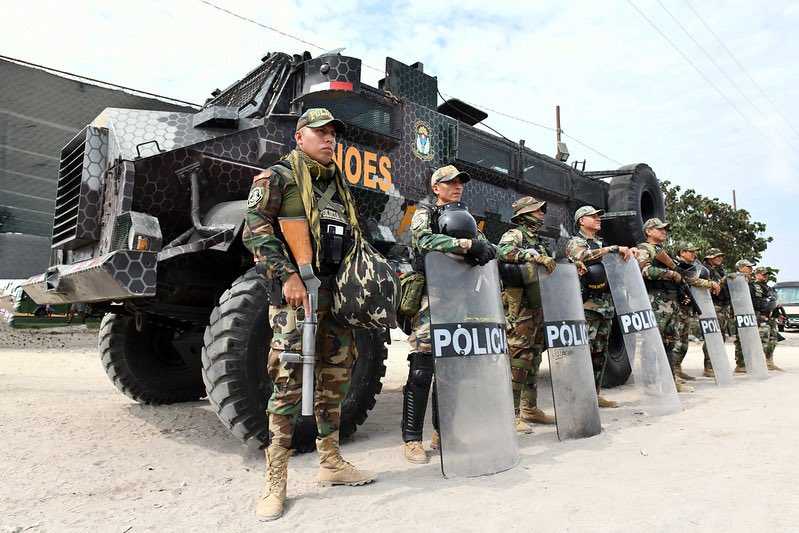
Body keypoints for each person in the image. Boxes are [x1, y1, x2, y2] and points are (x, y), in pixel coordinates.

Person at [243, 108, 374, 521]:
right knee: (288, 381)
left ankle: (330, 462)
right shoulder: (277, 176)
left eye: (333, 133)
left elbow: (352, 236)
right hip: (297, 295)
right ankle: (276, 477)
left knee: (336, 378)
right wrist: (287, 277)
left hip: (336, 296)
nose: (329, 139)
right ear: (299, 137)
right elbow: (256, 229)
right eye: (320, 132)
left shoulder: (339, 184)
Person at [402, 164, 496, 464]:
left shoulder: (466, 216)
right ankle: (412, 440)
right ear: (436, 187)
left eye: (460, 183)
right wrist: (464, 245)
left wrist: (485, 248)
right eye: (450, 183)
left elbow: (485, 246)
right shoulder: (425, 212)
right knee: (422, 369)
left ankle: (445, 434)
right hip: (432, 296)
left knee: (453, 371)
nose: (457, 187)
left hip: (460, 297)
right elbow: (422, 240)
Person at [566, 205, 638, 408]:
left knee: (599, 354)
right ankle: (578, 397)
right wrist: (613, 249)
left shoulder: (599, 243)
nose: (598, 219)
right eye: (593, 216)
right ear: (581, 220)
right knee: (583, 353)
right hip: (587, 306)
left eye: (599, 216)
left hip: (606, 306)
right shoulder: (576, 242)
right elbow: (582, 256)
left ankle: (594, 395)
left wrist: (628, 254)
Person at [497, 196, 558, 432]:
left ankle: (529, 409)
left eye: (543, 209)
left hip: (537, 306)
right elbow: (504, 252)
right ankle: (510, 414)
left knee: (534, 357)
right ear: (525, 214)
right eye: (537, 210)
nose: (542, 213)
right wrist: (533, 256)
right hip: (519, 306)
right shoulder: (516, 234)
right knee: (519, 358)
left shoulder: (538, 240)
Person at [636, 219, 717, 392]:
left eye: (665, 229)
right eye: (660, 229)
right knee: (653, 343)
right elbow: (644, 270)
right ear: (649, 231)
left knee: (670, 343)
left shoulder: (663, 252)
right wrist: (670, 273)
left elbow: (687, 277)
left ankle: (670, 381)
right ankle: (651, 383)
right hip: (655, 302)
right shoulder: (644, 249)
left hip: (671, 302)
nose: (664, 232)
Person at [671, 242, 720, 380]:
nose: (694, 254)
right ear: (682, 252)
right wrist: (710, 284)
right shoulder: (677, 264)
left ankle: (677, 369)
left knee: (684, 343)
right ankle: (673, 373)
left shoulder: (692, 266)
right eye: (690, 251)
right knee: (677, 342)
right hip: (676, 307)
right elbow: (691, 279)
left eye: (694, 251)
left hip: (686, 307)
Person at [701, 248, 732, 378]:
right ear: (709, 257)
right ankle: (709, 367)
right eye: (716, 256)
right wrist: (724, 280)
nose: (719, 258)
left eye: (720, 256)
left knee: (721, 336)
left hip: (723, 307)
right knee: (712, 336)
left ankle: (715, 364)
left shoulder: (720, 270)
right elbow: (709, 288)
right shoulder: (704, 270)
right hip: (712, 306)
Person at [752, 266, 783, 371]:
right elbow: (757, 303)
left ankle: (769, 362)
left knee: (773, 340)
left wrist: (777, 310)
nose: (765, 276)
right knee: (762, 340)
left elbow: (773, 301)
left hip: (771, 317)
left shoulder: (769, 288)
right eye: (763, 274)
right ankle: (758, 364)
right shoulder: (754, 286)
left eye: (766, 274)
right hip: (760, 316)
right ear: (756, 274)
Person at [733, 259, 754, 373]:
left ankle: (747, 363)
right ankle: (740, 364)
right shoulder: (735, 279)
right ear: (740, 268)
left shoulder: (747, 280)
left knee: (749, 338)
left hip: (748, 313)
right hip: (740, 312)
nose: (751, 269)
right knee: (741, 338)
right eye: (748, 267)